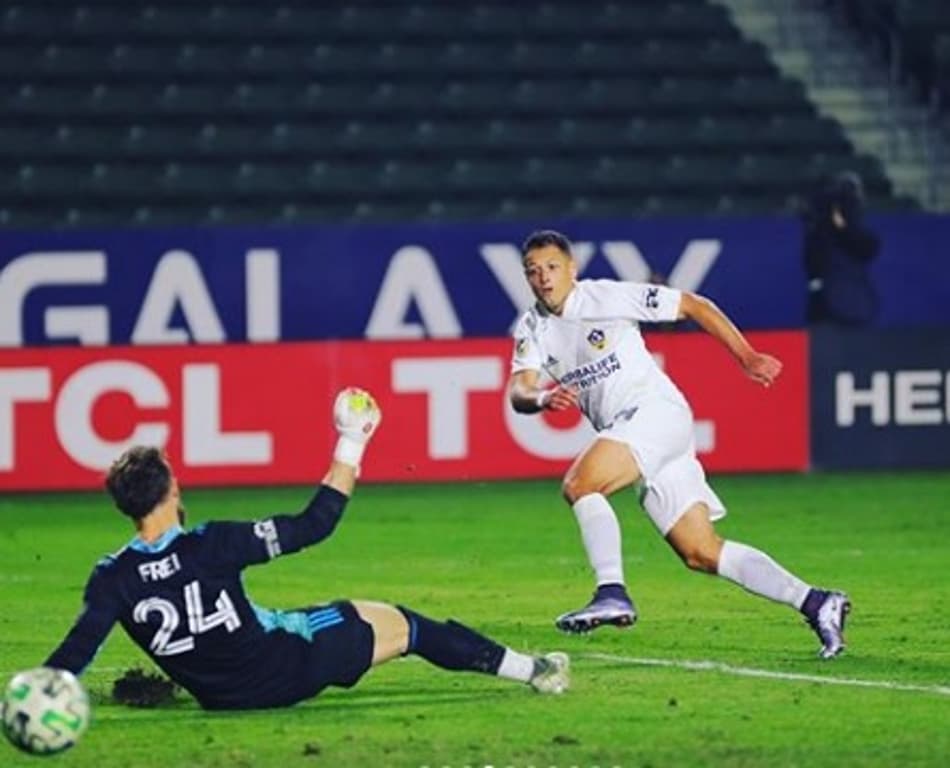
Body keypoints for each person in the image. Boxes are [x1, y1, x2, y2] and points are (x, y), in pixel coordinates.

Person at [42, 388, 569, 709]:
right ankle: (535, 671)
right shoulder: (213, 543)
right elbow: (315, 524)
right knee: (407, 625)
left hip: (220, 697)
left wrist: (33, 692)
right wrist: (353, 440)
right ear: (172, 489)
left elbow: (77, 652)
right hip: (286, 665)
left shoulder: (111, 576)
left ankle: (532, 670)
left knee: (307, 618)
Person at [507, 230, 850, 659]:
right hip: (639, 430)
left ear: (571, 269)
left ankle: (611, 591)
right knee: (700, 551)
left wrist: (746, 356)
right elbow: (519, 391)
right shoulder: (532, 327)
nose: (543, 277)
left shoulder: (606, 297)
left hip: (654, 413)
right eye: (533, 271)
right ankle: (817, 602)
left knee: (580, 484)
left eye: (552, 267)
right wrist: (542, 399)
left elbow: (692, 304)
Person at [803, 170, 880, 326]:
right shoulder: (819, 233)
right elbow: (813, 265)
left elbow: (867, 246)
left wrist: (842, 227)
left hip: (853, 306)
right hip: (827, 310)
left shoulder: (857, 235)